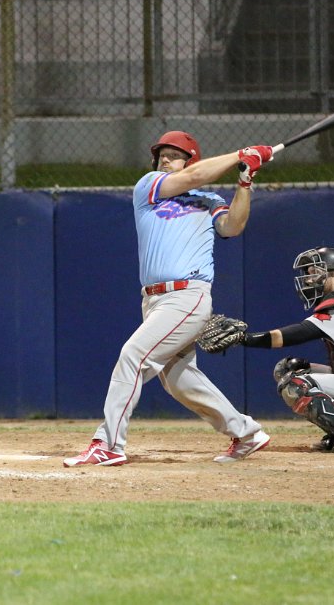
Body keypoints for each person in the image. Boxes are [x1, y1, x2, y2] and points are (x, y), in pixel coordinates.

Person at [63, 131, 275, 467]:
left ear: (190, 159)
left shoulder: (208, 200)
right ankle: (246, 432)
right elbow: (192, 177)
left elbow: (232, 227)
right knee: (179, 378)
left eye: (175, 155)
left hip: (187, 295)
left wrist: (245, 181)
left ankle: (109, 444)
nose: (165, 158)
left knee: (133, 356)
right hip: (154, 300)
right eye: (162, 154)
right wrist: (241, 154)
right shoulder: (149, 186)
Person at [198, 247, 334, 454]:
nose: (309, 279)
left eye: (316, 272)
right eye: (308, 273)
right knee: (288, 369)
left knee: (297, 384)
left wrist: (245, 339)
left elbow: (300, 333)